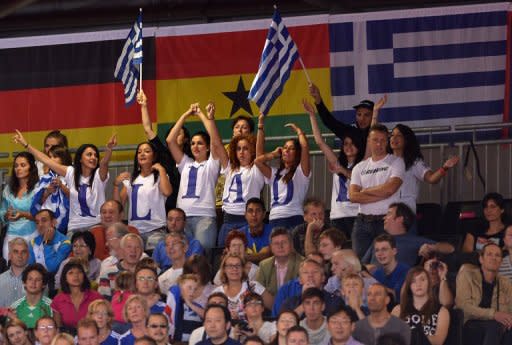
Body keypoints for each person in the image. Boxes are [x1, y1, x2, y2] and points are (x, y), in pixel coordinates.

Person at [13, 130, 117, 235]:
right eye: (89, 154)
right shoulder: (71, 173)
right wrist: (26, 144)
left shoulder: (99, 176)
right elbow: (46, 160)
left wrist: (108, 149)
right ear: (80, 159)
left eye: (95, 155)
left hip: (95, 226)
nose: (93, 157)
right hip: (74, 228)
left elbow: (104, 163)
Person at [305, 99, 364, 240]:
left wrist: (342, 171)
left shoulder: (364, 165)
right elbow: (320, 142)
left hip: (356, 214)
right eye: (345, 144)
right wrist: (312, 116)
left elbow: (360, 182)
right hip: (337, 216)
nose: (348, 147)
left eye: (352, 144)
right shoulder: (337, 161)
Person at [167, 102, 221, 250]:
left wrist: (203, 116)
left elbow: (215, 139)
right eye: (192, 143)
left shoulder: (212, 164)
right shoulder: (186, 163)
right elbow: (170, 141)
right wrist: (185, 115)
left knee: (201, 258)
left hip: (204, 218)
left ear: (208, 147)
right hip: (182, 218)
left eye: (200, 143)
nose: (195, 147)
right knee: (182, 258)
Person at [349, 124, 405, 259]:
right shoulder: (359, 167)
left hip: (386, 221)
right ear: (369, 140)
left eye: (383, 140)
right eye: (375, 140)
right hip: (362, 222)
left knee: (384, 262)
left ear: (387, 141)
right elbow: (353, 196)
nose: (379, 144)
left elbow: (390, 189)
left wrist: (366, 191)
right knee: (360, 263)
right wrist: (382, 192)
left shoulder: (396, 162)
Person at [254, 115, 311, 231]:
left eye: (291, 148)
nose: (287, 150)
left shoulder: (301, 172)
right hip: (275, 219)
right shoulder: (274, 173)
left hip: (294, 218)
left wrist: (299, 132)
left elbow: (304, 147)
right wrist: (273, 154)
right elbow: (257, 161)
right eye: (285, 148)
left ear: (297, 153)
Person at [389, 124, 459, 217]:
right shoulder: (384, 161)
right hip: (385, 213)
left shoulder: (414, 162)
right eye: (392, 135)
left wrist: (444, 168)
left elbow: (431, 178)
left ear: (406, 140)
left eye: (399, 135)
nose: (394, 138)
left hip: (405, 214)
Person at [113, 141, 172, 246]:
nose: (142, 154)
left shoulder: (159, 177)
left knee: (154, 261)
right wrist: (116, 186)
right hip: (134, 232)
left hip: (155, 230)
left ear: (154, 157)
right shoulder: (131, 179)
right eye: (139, 152)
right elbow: (118, 206)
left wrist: (162, 170)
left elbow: (167, 192)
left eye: (147, 151)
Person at [217, 121, 265, 247]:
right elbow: (217, 144)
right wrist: (210, 119)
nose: (241, 152)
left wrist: (260, 126)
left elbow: (260, 150)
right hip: (227, 220)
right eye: (238, 149)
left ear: (252, 151)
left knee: (247, 256)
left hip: (247, 221)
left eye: (246, 148)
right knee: (223, 256)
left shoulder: (256, 169)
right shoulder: (230, 168)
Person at [362, 203, 454, 267]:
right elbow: (363, 265)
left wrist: (432, 247)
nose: (384, 217)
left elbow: (450, 248)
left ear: (400, 219)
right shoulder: (378, 240)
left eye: (389, 214)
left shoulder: (415, 241)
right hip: (372, 285)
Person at [456, 243, 512, 345]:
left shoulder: (505, 282)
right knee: (494, 326)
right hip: (469, 323)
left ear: (501, 262)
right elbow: (463, 306)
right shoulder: (467, 274)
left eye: (497, 255)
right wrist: (493, 314)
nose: (493, 258)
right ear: (481, 259)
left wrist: (509, 319)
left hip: (496, 326)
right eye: (489, 254)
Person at [137, 90, 180, 212]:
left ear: (186, 138)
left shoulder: (191, 157)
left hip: (188, 206)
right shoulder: (164, 153)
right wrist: (144, 106)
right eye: (172, 134)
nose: (174, 136)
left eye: (179, 133)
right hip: (167, 206)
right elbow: (147, 129)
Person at [308, 83, 375, 156]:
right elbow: (329, 121)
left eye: (367, 115)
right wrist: (318, 99)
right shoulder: (350, 132)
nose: (362, 118)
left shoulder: (380, 135)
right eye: (359, 114)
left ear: (374, 116)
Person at [391, 267, 449, 345]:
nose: (418, 284)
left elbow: (438, 341)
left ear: (429, 282)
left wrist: (416, 336)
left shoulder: (441, 311)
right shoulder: (398, 309)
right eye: (413, 281)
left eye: (422, 279)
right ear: (409, 286)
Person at [0, 152, 39, 259]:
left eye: (23, 165)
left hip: (32, 234)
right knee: (10, 269)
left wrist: (22, 214)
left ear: (31, 167)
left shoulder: (38, 188)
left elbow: (41, 216)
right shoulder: (8, 189)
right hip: (11, 234)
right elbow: (2, 211)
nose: (18, 168)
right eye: (16, 166)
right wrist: (5, 215)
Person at [212, 254, 272, 320]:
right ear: (224, 270)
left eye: (238, 265)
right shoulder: (217, 292)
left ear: (243, 269)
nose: (234, 269)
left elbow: (274, 307)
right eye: (230, 266)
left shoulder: (254, 286)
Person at [276, 259, 343, 318]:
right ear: (300, 280)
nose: (310, 275)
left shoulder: (335, 301)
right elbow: (286, 322)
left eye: (315, 272)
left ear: (323, 278)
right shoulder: (290, 302)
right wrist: (305, 300)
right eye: (306, 272)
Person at [51, 259, 103, 332]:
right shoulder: (58, 300)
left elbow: (102, 324)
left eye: (79, 272)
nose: (76, 276)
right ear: (65, 277)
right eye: (71, 273)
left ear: (84, 276)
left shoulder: (96, 297)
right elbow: (58, 328)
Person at [31, 144, 72, 234]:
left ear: (63, 158)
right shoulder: (45, 178)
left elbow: (75, 198)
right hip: (46, 223)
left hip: (68, 224)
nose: (50, 159)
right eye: (49, 157)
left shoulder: (72, 175)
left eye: (55, 156)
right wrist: (47, 192)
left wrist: (61, 186)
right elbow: (37, 203)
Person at [256, 227, 304, 297]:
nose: (280, 246)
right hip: (269, 306)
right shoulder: (264, 265)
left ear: (291, 245)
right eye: (276, 243)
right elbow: (257, 293)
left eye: (284, 242)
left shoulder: (303, 264)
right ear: (271, 247)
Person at [98, 233, 144, 300]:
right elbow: (104, 302)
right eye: (129, 247)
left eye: (137, 247)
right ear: (122, 250)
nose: (133, 251)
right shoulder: (107, 273)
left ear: (142, 251)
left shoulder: (149, 272)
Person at [28, 209, 71, 274]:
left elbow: (52, 268)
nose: (40, 225)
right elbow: (30, 269)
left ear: (53, 222)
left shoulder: (65, 242)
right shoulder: (33, 242)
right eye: (37, 222)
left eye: (44, 220)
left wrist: (47, 243)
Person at [11, 263, 52, 329]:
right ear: (24, 283)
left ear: (44, 284)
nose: (33, 282)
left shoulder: (51, 306)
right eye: (30, 279)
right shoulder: (15, 306)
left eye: (38, 280)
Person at [371, 234, 409, 303]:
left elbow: (396, 297)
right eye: (377, 250)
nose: (380, 253)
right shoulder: (377, 273)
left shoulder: (406, 272)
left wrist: (371, 280)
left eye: (384, 249)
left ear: (394, 251)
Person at [167, 274, 204, 342]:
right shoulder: (173, 301)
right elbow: (174, 290)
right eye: (189, 287)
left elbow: (206, 315)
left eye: (195, 289)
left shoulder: (198, 307)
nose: (192, 291)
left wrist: (190, 304)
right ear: (181, 287)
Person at [239, 198, 272, 263]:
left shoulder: (273, 232)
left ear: (264, 214)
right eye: (250, 211)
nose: (254, 214)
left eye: (258, 211)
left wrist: (240, 256)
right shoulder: (239, 234)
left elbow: (264, 255)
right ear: (245, 215)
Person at [0, 238, 29, 307]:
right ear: (9, 255)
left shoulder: (38, 280)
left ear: (28, 255)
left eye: (23, 252)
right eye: (16, 252)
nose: (20, 255)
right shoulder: (0, 280)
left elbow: (44, 310)